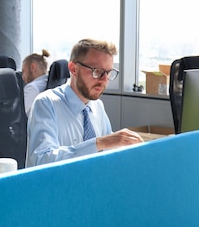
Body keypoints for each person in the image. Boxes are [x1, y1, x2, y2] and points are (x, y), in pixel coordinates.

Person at [26, 38, 143, 167]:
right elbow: (43, 160)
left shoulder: (97, 105)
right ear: (73, 68)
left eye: (108, 73)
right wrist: (99, 143)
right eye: (97, 71)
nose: (104, 80)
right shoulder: (46, 103)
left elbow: (108, 152)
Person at [21, 49, 50, 115]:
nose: (23, 77)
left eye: (24, 72)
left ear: (32, 67)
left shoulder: (32, 88)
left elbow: (24, 116)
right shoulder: (47, 83)